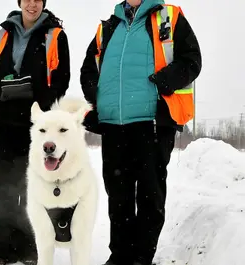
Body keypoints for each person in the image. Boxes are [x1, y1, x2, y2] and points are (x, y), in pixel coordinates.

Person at [80, 0, 201, 265]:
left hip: (152, 123)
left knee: (150, 194)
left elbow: (192, 60)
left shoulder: (169, 16)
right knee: (119, 196)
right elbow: (88, 69)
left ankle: (142, 257)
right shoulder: (108, 27)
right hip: (114, 125)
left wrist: (164, 81)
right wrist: (96, 94)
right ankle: (120, 256)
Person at [0, 0, 70, 264]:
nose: (32, 4)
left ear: (43, 4)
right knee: (3, 187)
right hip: (2, 123)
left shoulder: (54, 35)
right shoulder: (4, 33)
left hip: (34, 128)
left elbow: (61, 79)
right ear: (19, 2)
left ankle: (29, 248)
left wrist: (40, 107)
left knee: (31, 188)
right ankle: (0, 249)